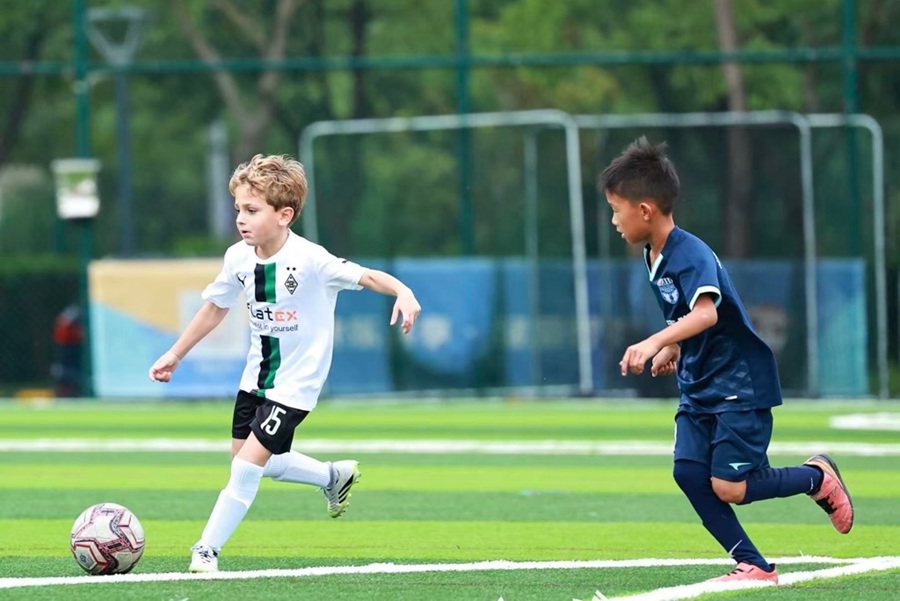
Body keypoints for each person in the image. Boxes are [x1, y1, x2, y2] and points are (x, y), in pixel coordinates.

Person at [148, 154, 421, 573]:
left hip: (297, 385)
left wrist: (402, 290)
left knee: (245, 468)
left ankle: (206, 550)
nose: (241, 219)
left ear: (284, 215)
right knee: (259, 461)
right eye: (238, 209)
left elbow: (367, 276)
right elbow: (215, 307)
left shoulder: (312, 260)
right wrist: (175, 353)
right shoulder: (238, 258)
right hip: (256, 378)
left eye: (251, 210)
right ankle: (332, 476)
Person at [600, 137, 853, 584]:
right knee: (687, 472)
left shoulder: (690, 252)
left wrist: (653, 341)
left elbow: (707, 313)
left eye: (616, 210)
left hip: (739, 382)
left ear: (645, 210)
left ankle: (815, 477)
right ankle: (754, 565)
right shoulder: (653, 254)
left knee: (730, 487)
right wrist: (674, 347)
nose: (614, 220)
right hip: (701, 382)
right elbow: (685, 315)